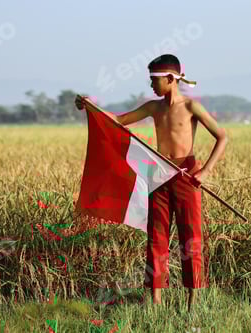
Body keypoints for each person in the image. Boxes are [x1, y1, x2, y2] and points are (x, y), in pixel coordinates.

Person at [75, 54, 228, 312]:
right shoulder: (153, 107)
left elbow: (222, 137)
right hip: (158, 174)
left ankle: (192, 302)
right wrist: (91, 107)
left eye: (154, 80)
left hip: (187, 175)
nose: (151, 86)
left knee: (190, 236)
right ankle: (155, 301)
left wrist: (205, 172)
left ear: (170, 79)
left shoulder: (191, 107)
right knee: (156, 237)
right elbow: (119, 121)